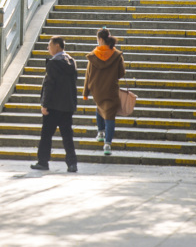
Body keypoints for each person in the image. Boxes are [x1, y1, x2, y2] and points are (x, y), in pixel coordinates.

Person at [31, 36, 79, 172]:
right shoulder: (71, 62)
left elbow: (49, 85)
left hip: (52, 106)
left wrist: (44, 104)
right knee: (67, 136)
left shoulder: (53, 63)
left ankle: (43, 162)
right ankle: (72, 164)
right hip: (67, 106)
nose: (48, 48)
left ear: (57, 46)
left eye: (50, 45)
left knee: (46, 135)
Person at [83, 28, 125, 156]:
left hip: (97, 90)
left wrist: (85, 93)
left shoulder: (93, 55)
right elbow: (121, 73)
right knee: (110, 116)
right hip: (111, 90)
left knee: (100, 107)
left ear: (100, 39)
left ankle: (100, 132)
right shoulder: (116, 55)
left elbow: (88, 75)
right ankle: (107, 144)